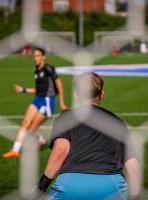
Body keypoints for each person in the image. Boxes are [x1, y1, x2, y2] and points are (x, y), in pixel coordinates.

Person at [27, 72, 141, 200]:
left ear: (76, 95)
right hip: (111, 185)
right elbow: (133, 167)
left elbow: (60, 151)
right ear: (102, 94)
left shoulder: (67, 117)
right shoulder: (117, 122)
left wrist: (41, 188)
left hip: (71, 183)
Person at [3, 47, 67, 158]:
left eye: (38, 56)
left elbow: (59, 84)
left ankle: (41, 140)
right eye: (34, 56)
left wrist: (61, 102)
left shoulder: (48, 68)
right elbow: (39, 89)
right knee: (25, 123)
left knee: (32, 128)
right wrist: (23, 90)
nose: (35, 58)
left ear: (43, 57)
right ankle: (15, 150)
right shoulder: (37, 71)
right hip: (37, 98)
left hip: (47, 101)